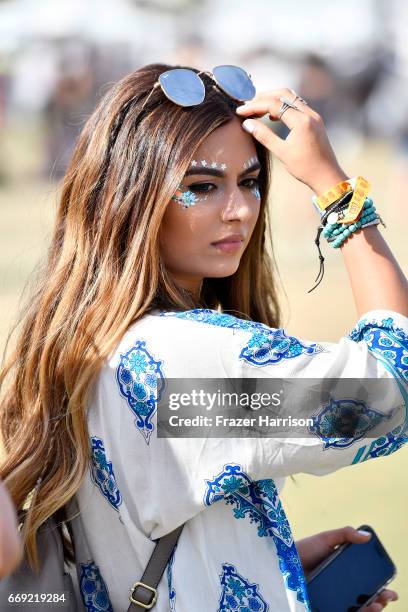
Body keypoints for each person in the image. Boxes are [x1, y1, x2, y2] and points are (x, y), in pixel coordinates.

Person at [0, 63, 406, 611]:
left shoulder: (94, 344)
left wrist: (272, 568)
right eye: (202, 186)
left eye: (251, 181)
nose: (239, 210)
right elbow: (389, 391)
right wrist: (339, 195)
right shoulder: (180, 360)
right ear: (132, 196)